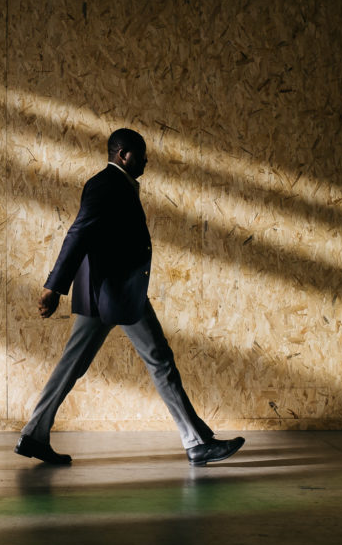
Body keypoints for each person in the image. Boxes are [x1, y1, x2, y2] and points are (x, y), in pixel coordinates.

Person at [15, 128, 245, 466]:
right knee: (160, 361)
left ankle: (34, 435)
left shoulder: (116, 185)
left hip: (106, 294)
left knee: (72, 365)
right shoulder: (105, 185)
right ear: (123, 154)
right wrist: (54, 287)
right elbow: (78, 233)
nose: (146, 161)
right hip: (117, 293)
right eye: (141, 155)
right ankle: (196, 443)